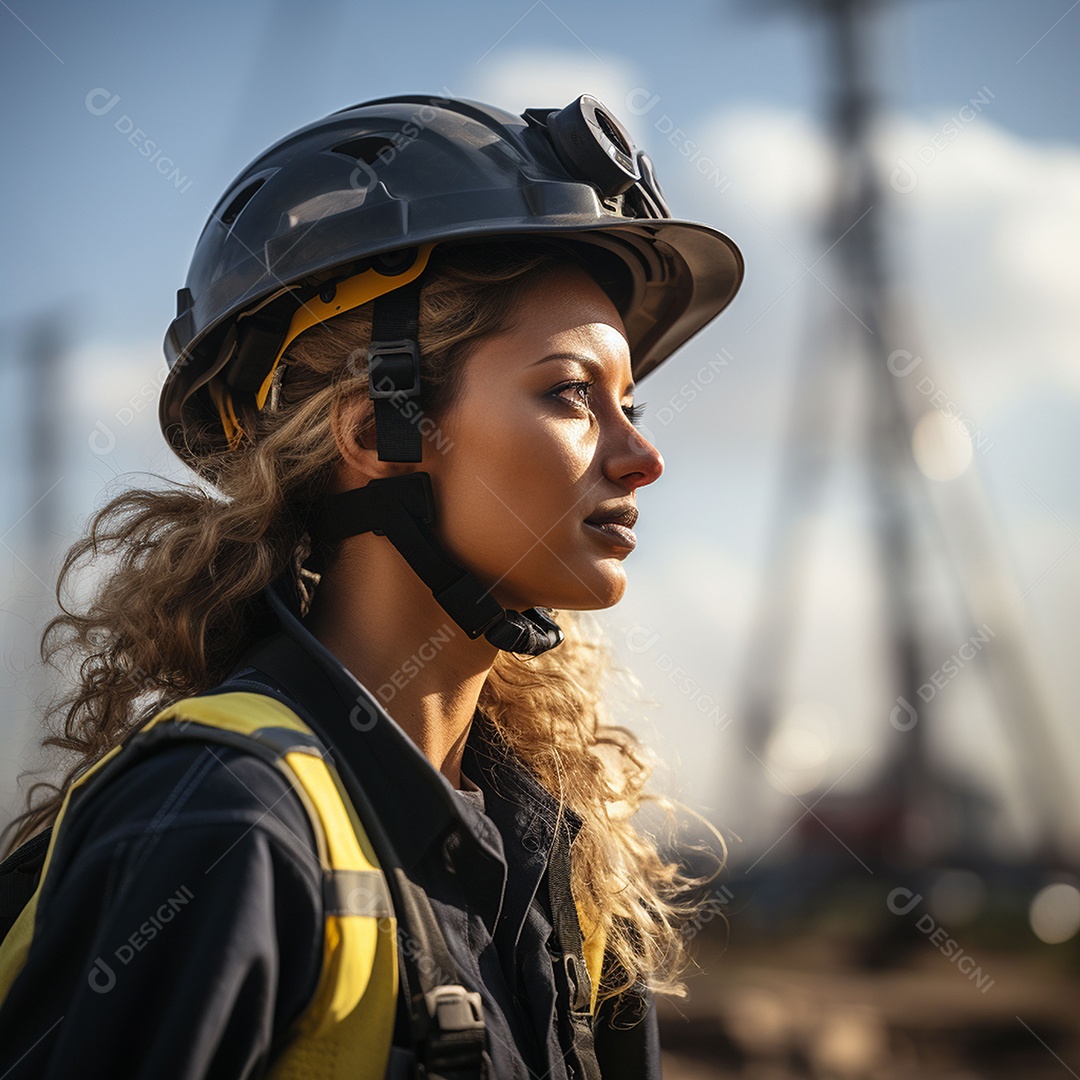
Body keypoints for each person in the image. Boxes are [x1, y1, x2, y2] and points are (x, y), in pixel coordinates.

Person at [0, 93, 743, 1079]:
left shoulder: (552, 861)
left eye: (629, 403)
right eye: (571, 392)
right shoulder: (223, 829)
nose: (641, 456)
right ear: (373, 431)